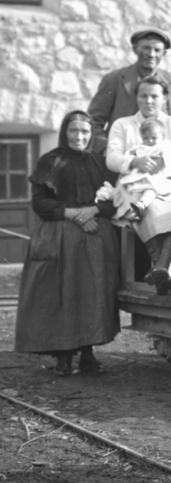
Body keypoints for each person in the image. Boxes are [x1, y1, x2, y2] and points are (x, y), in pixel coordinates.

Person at [15, 110, 119, 376]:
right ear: (64, 132)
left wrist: (93, 210)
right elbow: (39, 202)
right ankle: (63, 357)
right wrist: (73, 214)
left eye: (85, 131)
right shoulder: (50, 161)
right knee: (60, 295)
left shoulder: (98, 162)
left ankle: (87, 355)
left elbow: (114, 199)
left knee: (91, 295)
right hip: (58, 237)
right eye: (74, 130)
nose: (79, 136)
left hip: (93, 239)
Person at [106, 75, 171, 295]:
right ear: (136, 97)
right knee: (150, 209)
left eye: (154, 96)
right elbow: (111, 158)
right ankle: (161, 267)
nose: (148, 101)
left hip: (169, 182)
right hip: (136, 185)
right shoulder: (123, 124)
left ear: (164, 98)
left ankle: (160, 268)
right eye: (143, 96)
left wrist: (164, 161)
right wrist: (134, 161)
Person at [88, 28, 171, 152]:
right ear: (135, 49)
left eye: (157, 50)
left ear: (164, 53)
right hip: (122, 157)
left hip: (164, 158)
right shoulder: (114, 80)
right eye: (146, 48)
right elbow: (93, 121)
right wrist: (107, 150)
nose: (151, 54)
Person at [110, 118, 171, 223]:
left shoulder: (164, 147)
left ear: (163, 137)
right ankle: (134, 212)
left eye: (154, 138)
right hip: (141, 177)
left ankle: (142, 204)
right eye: (146, 138)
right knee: (135, 190)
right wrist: (132, 156)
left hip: (157, 177)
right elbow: (127, 155)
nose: (150, 141)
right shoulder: (140, 147)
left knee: (150, 190)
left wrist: (163, 160)